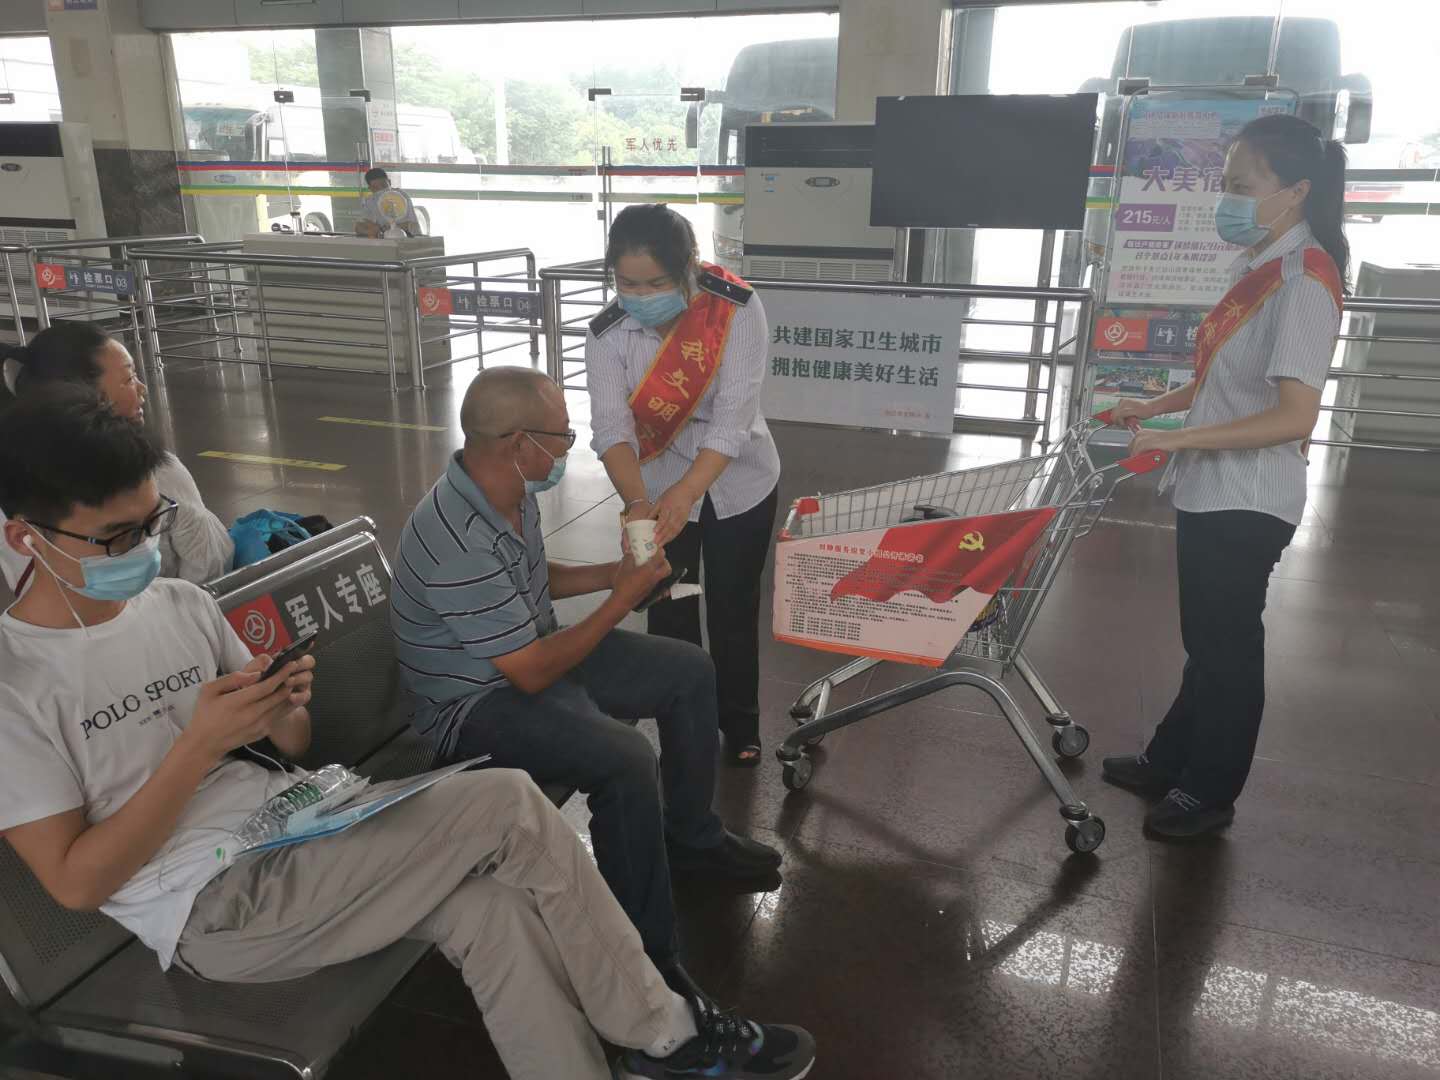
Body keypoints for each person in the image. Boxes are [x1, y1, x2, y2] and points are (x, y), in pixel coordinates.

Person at [0, 387, 816, 1080]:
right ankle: (665, 1033)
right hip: (217, 905)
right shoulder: (17, 686)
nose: (146, 551)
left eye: (153, 524)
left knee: (491, 911)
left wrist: (279, 707)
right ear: (23, 536)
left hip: (308, 823)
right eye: (116, 538)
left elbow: (293, 743)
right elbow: (75, 883)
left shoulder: (180, 606)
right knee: (506, 802)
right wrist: (198, 746)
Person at [390, 366, 783, 991]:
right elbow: (530, 672)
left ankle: (691, 838)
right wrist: (621, 599)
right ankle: (647, 964)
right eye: (561, 437)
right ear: (517, 444)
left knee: (688, 671)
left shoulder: (504, 490)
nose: (567, 451)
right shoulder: (455, 537)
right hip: (475, 706)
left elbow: (532, 575)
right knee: (625, 758)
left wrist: (612, 574)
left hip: (526, 655)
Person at [1101, 114, 1348, 838]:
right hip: (1215, 489)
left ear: (1296, 191)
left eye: (1243, 184)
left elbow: (1294, 415)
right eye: (1226, 183)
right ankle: (1169, 761)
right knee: (1209, 641)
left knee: (1226, 647)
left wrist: (1181, 436)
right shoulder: (1259, 268)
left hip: (1249, 500)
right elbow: (1223, 380)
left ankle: (1209, 792)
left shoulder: (1304, 282)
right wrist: (1157, 405)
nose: (1228, 198)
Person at [587, 204, 781, 766]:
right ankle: (683, 723)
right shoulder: (608, 333)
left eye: (656, 283)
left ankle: (740, 724)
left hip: (739, 482)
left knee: (732, 605)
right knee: (669, 604)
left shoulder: (735, 309)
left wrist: (686, 492)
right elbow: (611, 428)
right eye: (627, 284)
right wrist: (638, 502)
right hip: (654, 484)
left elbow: (731, 423)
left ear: (688, 268)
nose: (641, 296)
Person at [0, 323, 233, 593]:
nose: (142, 388)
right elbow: (208, 559)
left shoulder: (17, 477)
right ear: (87, 396)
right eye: (129, 378)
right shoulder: (148, 470)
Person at [354, 167, 421, 238]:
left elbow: (412, 225)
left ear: (389, 182)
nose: (381, 190)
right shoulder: (370, 201)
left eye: (383, 185)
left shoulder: (401, 196)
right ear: (370, 189)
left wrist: (388, 228)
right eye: (375, 188)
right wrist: (375, 230)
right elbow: (359, 227)